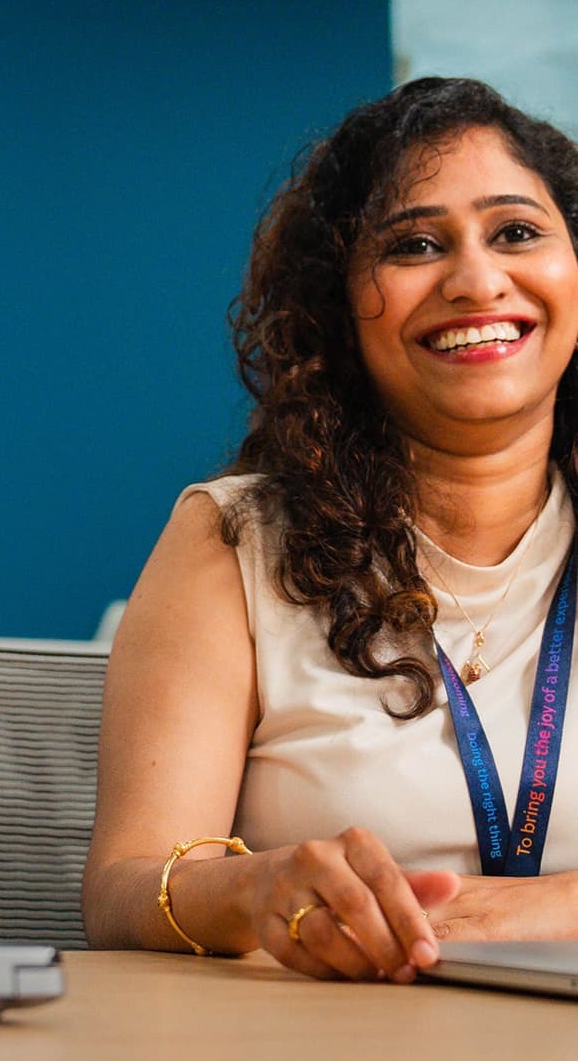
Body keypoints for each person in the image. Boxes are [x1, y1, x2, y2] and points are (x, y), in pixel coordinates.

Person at [85, 77, 578, 982]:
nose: (476, 280)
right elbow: (123, 887)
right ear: (339, 307)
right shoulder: (231, 542)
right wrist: (252, 891)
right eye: (416, 245)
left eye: (517, 231)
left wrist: (536, 908)